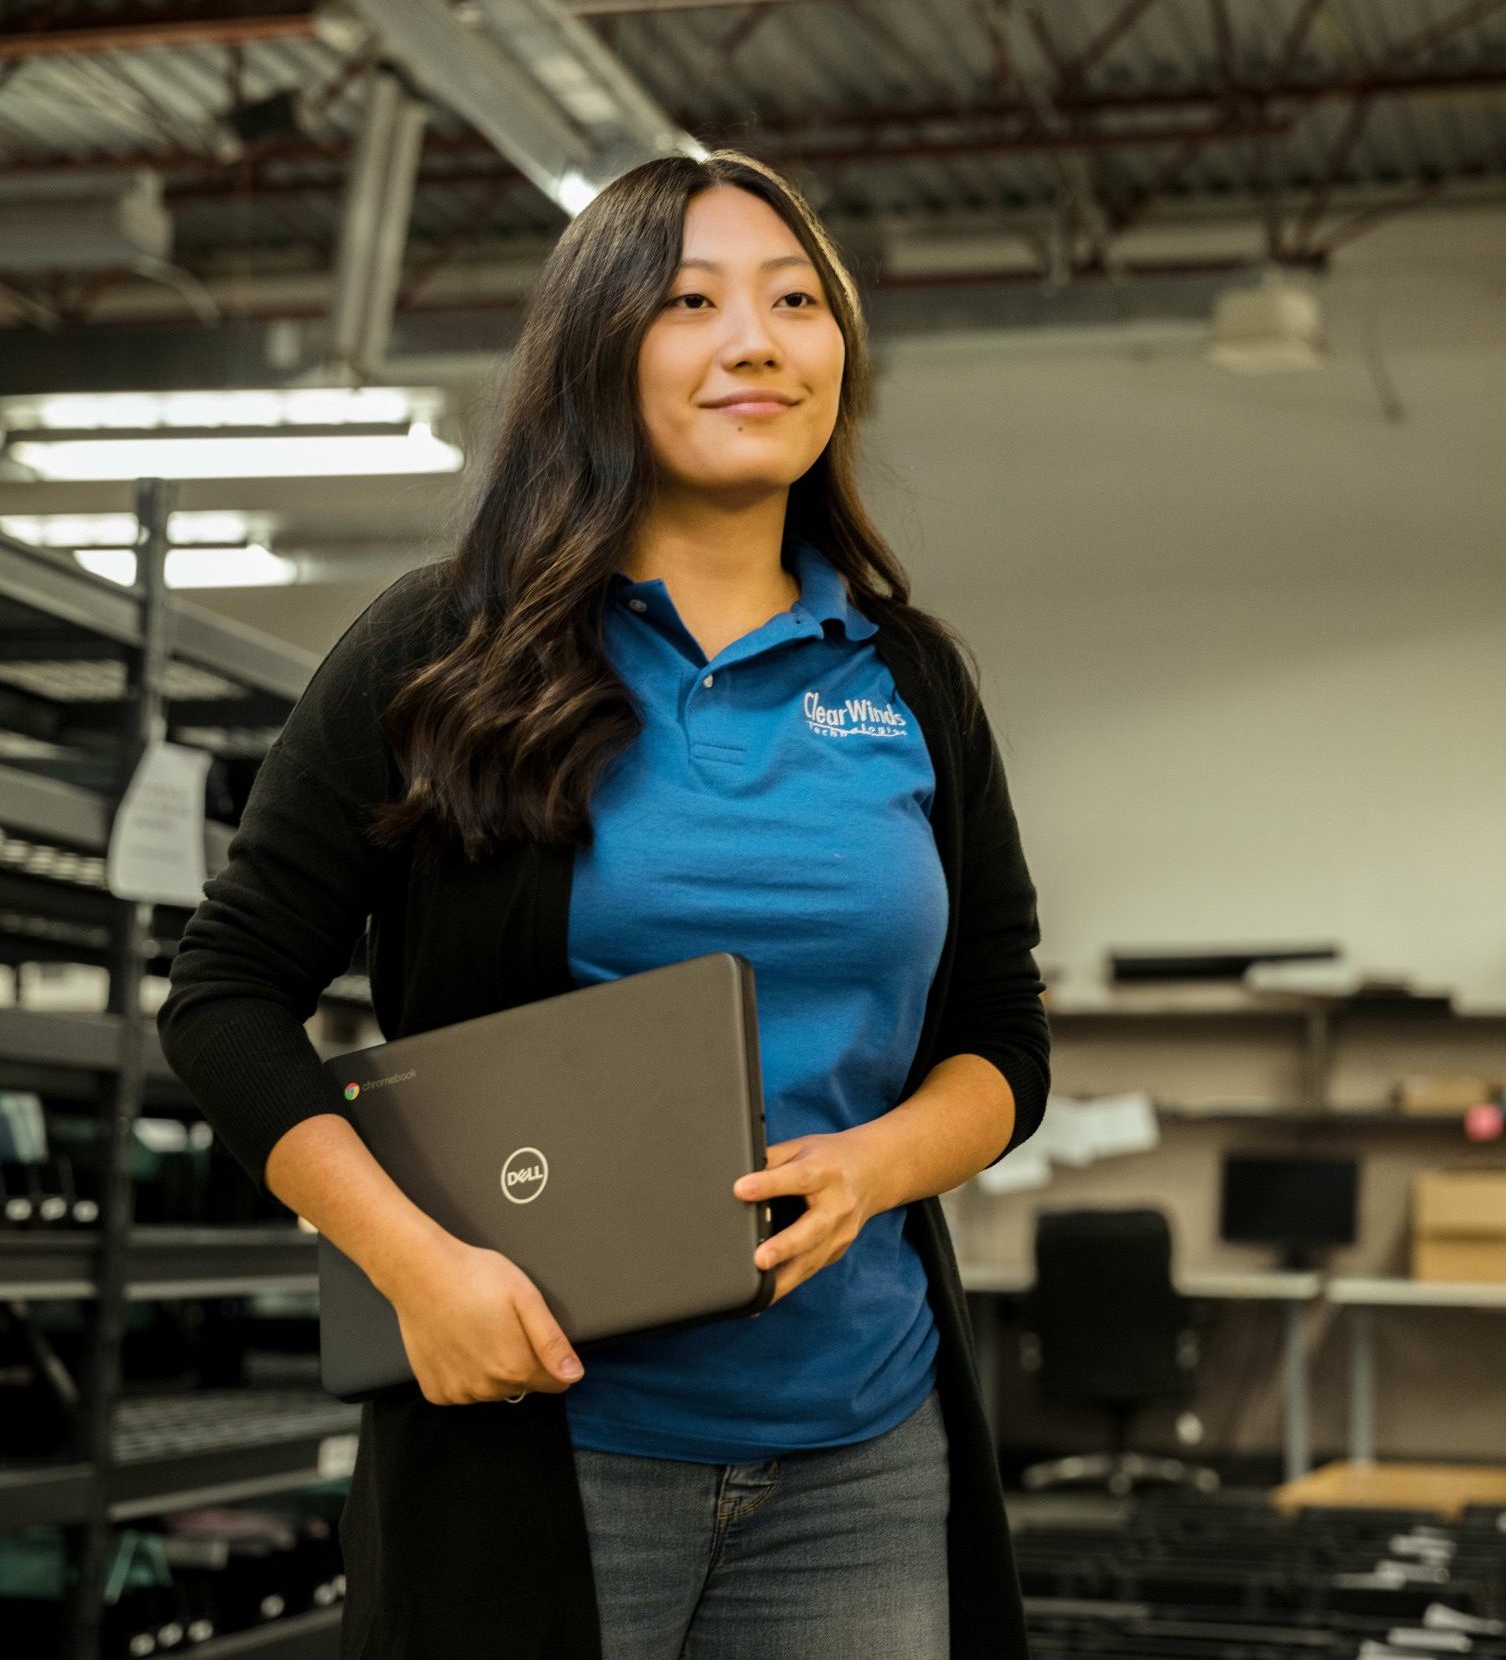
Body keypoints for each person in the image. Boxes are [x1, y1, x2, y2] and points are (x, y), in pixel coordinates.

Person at [157, 149, 1050, 1660]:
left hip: (864, 1448)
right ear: (597, 348)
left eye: (794, 300)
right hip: (547, 1443)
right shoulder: (440, 652)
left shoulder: (908, 679)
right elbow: (226, 996)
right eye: (691, 301)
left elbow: (1000, 1033)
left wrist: (875, 1170)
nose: (755, 339)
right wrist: (414, 1267)